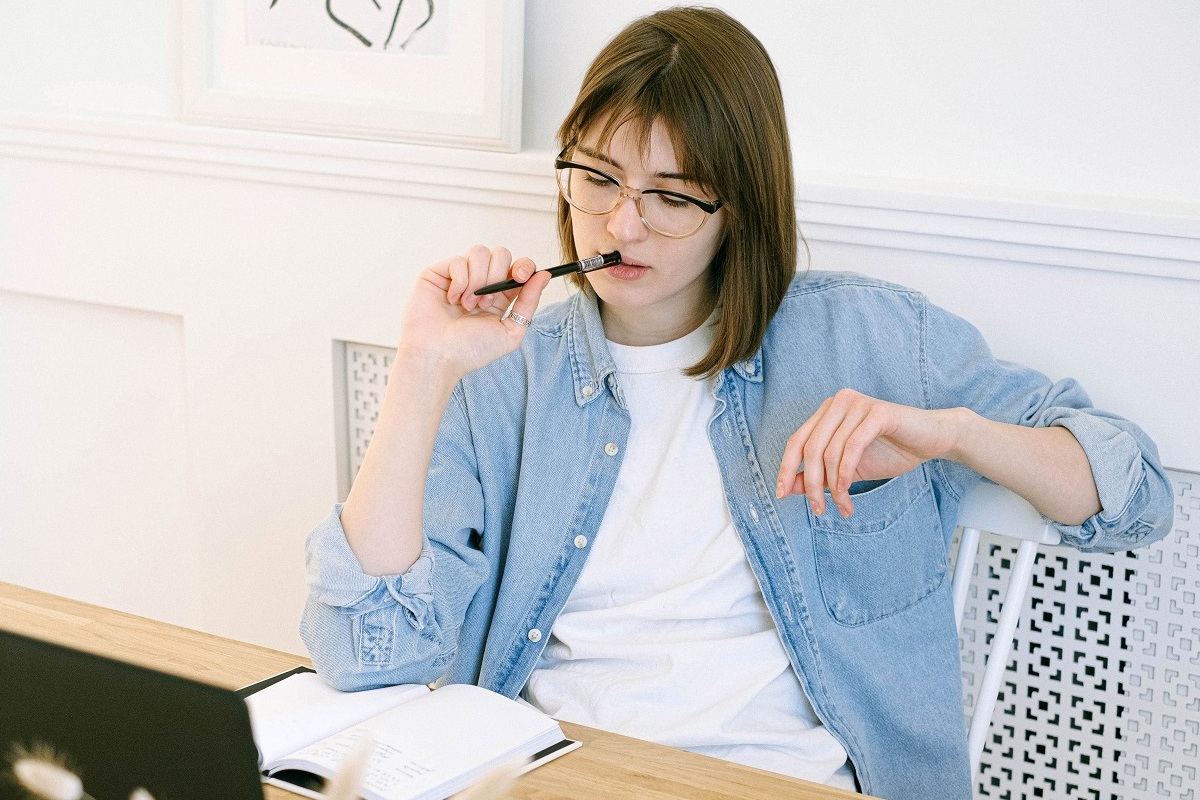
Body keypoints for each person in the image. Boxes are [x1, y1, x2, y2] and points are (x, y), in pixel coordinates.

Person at [300, 7, 1174, 799]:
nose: (623, 226)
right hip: (558, 774)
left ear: (740, 207)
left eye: (672, 197)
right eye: (597, 179)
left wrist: (953, 436)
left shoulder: (868, 337)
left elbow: (1133, 496)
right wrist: (421, 369)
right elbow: (366, 654)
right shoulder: (505, 374)